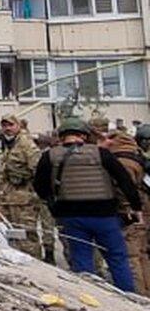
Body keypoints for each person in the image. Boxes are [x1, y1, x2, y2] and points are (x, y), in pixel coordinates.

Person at [34, 117, 142, 292]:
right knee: (117, 258)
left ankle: (90, 298)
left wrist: (55, 206)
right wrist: (136, 207)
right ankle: (128, 298)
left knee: (82, 261)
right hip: (105, 214)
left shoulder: (50, 156)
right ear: (84, 135)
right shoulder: (101, 153)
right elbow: (124, 181)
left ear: (61, 136)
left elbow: (39, 186)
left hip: (71, 216)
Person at [103, 124, 150, 295]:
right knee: (142, 253)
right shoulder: (135, 156)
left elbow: (125, 189)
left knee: (132, 255)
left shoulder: (123, 161)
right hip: (142, 209)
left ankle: (138, 295)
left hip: (133, 213)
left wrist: (126, 210)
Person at [0, 115, 45, 261]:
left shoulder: (26, 144)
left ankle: (37, 268)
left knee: (27, 238)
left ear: (18, 126)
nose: (7, 129)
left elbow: (38, 170)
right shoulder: (9, 145)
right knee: (10, 236)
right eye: (4, 126)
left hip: (24, 201)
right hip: (7, 199)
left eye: (10, 125)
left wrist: (34, 194)